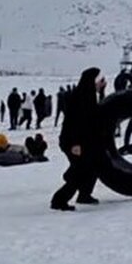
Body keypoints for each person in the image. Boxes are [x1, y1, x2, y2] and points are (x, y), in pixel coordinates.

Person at [50, 68, 105, 211]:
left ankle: (84, 195)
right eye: (100, 81)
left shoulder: (89, 94)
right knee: (79, 171)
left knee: (92, 166)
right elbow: (75, 121)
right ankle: (59, 200)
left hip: (85, 141)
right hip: (74, 141)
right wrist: (75, 143)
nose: (102, 83)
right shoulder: (81, 96)